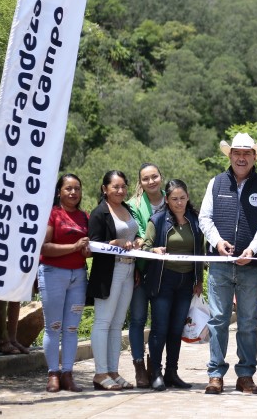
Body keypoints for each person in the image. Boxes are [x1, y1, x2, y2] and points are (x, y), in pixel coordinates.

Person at [199, 132, 257, 395]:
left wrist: (253, 249)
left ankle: (245, 375)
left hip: (251, 267)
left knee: (248, 322)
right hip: (219, 264)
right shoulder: (216, 183)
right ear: (230, 155)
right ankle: (215, 374)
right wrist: (218, 242)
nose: (241, 158)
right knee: (218, 319)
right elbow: (205, 218)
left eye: (247, 153)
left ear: (254, 157)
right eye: (237, 153)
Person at [143, 179, 204, 391]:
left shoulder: (195, 220)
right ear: (167, 200)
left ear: (188, 197)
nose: (179, 203)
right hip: (163, 280)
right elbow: (145, 245)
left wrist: (199, 280)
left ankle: (171, 372)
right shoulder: (158, 220)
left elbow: (200, 251)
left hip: (187, 282)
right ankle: (156, 373)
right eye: (174, 199)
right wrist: (154, 251)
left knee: (177, 328)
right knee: (160, 327)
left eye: (183, 198)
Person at [87, 170, 143, 391]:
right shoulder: (99, 213)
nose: (120, 190)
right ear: (104, 189)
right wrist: (116, 242)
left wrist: (136, 241)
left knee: (118, 324)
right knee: (103, 322)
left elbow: (133, 234)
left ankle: (113, 371)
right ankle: (100, 373)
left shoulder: (127, 208)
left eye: (123, 186)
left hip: (129, 270)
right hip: (108, 273)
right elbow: (94, 245)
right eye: (115, 187)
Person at [38, 174, 90, 393]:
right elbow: (44, 247)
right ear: (59, 191)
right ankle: (53, 374)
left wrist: (86, 251)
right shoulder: (51, 214)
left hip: (78, 276)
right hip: (52, 274)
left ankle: (68, 373)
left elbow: (86, 249)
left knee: (71, 328)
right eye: (68, 188)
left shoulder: (85, 217)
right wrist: (74, 247)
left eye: (77, 189)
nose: (73, 193)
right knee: (54, 326)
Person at [127, 162, 166, 389]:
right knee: (138, 319)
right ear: (140, 182)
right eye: (146, 178)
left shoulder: (171, 198)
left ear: (160, 177)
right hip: (140, 270)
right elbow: (140, 235)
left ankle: (155, 367)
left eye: (154, 177)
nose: (151, 181)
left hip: (166, 272)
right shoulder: (134, 204)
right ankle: (139, 368)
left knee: (160, 322)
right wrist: (150, 249)